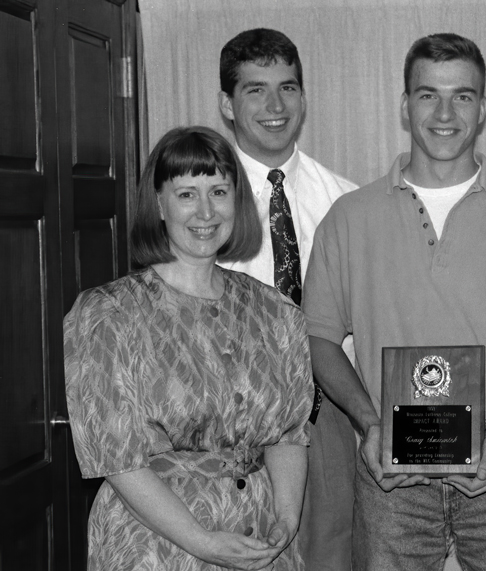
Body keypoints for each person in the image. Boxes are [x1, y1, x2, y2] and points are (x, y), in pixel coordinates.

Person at [303, 33, 486, 570]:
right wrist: (370, 423)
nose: (445, 112)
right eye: (428, 95)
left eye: (463, 96)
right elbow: (320, 338)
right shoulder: (349, 217)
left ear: (483, 109)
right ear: (405, 107)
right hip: (389, 459)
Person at [64, 126, 313, 570]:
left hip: (260, 542)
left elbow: (288, 435)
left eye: (218, 191)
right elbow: (117, 460)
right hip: (156, 545)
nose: (205, 211)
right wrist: (202, 542)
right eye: (186, 194)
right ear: (158, 203)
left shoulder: (277, 312)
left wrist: (287, 519)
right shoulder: (109, 314)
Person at [216, 28, 359, 571]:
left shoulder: (345, 201)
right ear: (226, 105)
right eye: (255, 90)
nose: (275, 106)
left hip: (326, 421)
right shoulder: (202, 206)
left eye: (288, 88)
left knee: (331, 556)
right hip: (227, 426)